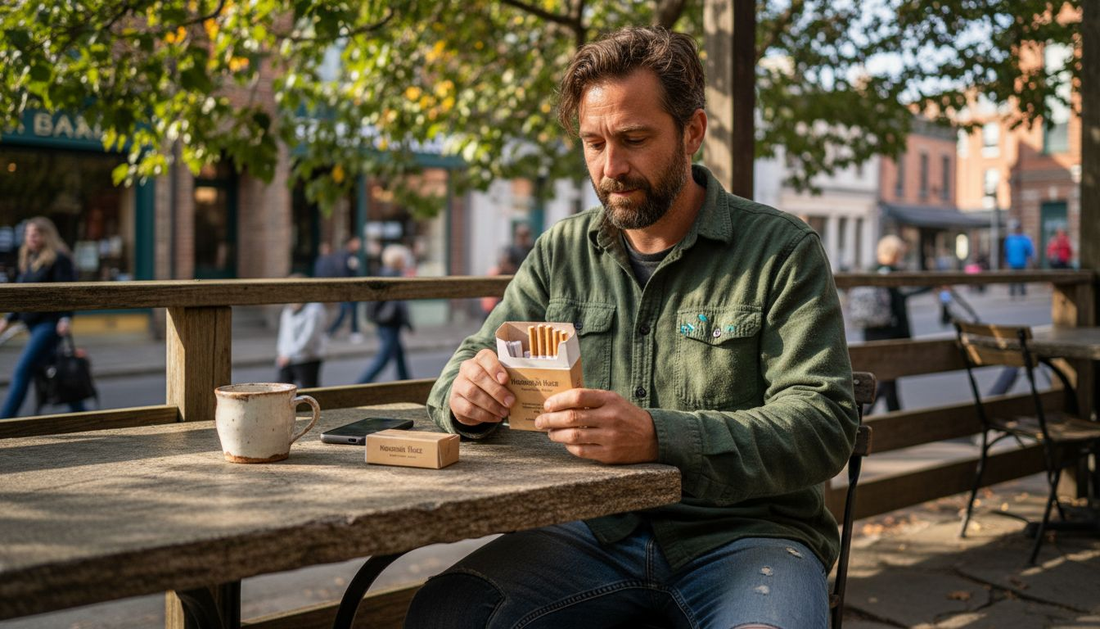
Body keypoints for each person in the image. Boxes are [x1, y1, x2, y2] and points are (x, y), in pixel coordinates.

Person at [404, 27, 858, 629]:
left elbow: (824, 425)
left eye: (634, 139)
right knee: (447, 614)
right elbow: (462, 373)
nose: (610, 168)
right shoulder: (559, 252)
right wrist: (466, 399)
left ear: (692, 132)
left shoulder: (781, 250)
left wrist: (657, 437)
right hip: (586, 533)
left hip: (749, 538)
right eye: (593, 143)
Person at [0, 217, 85, 418]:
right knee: (59, 374)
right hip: (33, 325)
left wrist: (65, 318)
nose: (31, 238)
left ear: (47, 235)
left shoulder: (58, 258)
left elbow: (66, 293)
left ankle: (4, 420)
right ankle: (85, 416)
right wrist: (8, 319)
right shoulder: (30, 259)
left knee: (23, 370)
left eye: (36, 234)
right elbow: (23, 295)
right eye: (28, 234)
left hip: (48, 326)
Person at [861, 235, 931, 413]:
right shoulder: (892, 274)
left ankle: (893, 417)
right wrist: (907, 338)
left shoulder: (871, 271)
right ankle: (883, 418)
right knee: (887, 379)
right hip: (889, 333)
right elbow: (899, 308)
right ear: (896, 253)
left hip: (870, 331)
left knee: (886, 380)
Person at [355, 244, 413, 384]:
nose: (405, 261)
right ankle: (359, 385)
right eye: (403, 259)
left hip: (387, 321)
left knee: (399, 354)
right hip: (390, 322)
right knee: (383, 358)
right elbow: (398, 304)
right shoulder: (392, 275)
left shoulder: (384, 272)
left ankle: (406, 382)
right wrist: (407, 322)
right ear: (397, 260)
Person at [275, 274, 328, 389]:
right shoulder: (289, 309)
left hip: (307, 358)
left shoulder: (314, 309)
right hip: (287, 359)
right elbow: (284, 334)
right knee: (280, 391)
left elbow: (308, 338)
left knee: (309, 392)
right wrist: (282, 353)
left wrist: (288, 355)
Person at [323, 236, 364, 343]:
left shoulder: (351, 255)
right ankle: (330, 332)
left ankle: (354, 332)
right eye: (356, 242)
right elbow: (343, 272)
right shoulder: (344, 256)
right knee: (344, 312)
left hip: (353, 289)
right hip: (347, 289)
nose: (359, 245)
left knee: (353, 311)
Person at [480, 247, 518, 318]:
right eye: (502, 261)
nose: (502, 264)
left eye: (505, 262)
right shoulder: (495, 273)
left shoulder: (514, 276)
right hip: (492, 311)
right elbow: (490, 304)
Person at [1003, 219, 1034, 298]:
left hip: (1022, 262)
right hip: (1012, 262)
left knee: (1022, 278)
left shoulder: (1024, 239)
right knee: (1012, 278)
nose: (1017, 230)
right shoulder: (1010, 239)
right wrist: (1006, 261)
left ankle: (1022, 292)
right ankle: (1012, 292)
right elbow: (1006, 251)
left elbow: (1029, 251)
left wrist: (1031, 260)